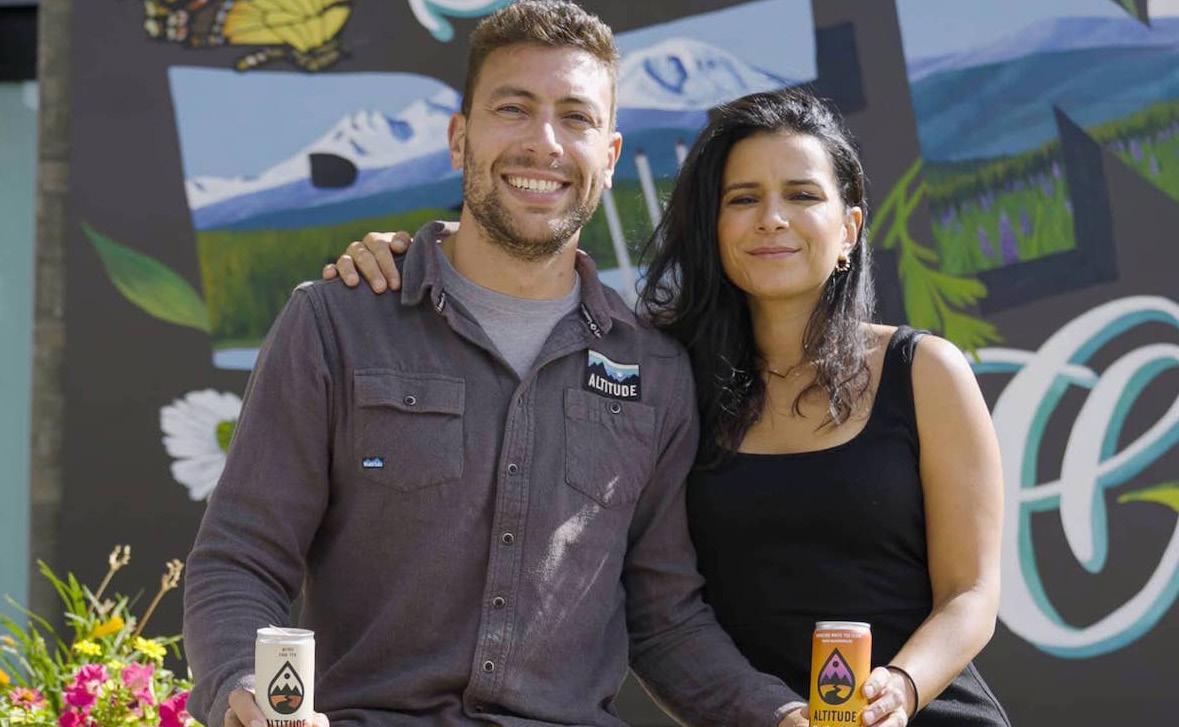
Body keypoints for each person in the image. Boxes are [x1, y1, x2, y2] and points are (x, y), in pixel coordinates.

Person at [183, 3, 810, 727]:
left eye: (575, 117)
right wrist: (244, 688)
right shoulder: (336, 323)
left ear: (608, 157)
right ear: (460, 139)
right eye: (514, 109)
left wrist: (780, 715)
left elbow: (664, 619)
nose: (544, 143)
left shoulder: (655, 372)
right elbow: (241, 559)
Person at [329, 89, 1009, 726]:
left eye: (801, 195)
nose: (772, 218)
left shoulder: (923, 371)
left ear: (849, 228)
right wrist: (421, 253)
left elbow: (970, 594)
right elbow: (659, 613)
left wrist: (901, 688)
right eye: (743, 198)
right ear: (711, 226)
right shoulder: (656, 375)